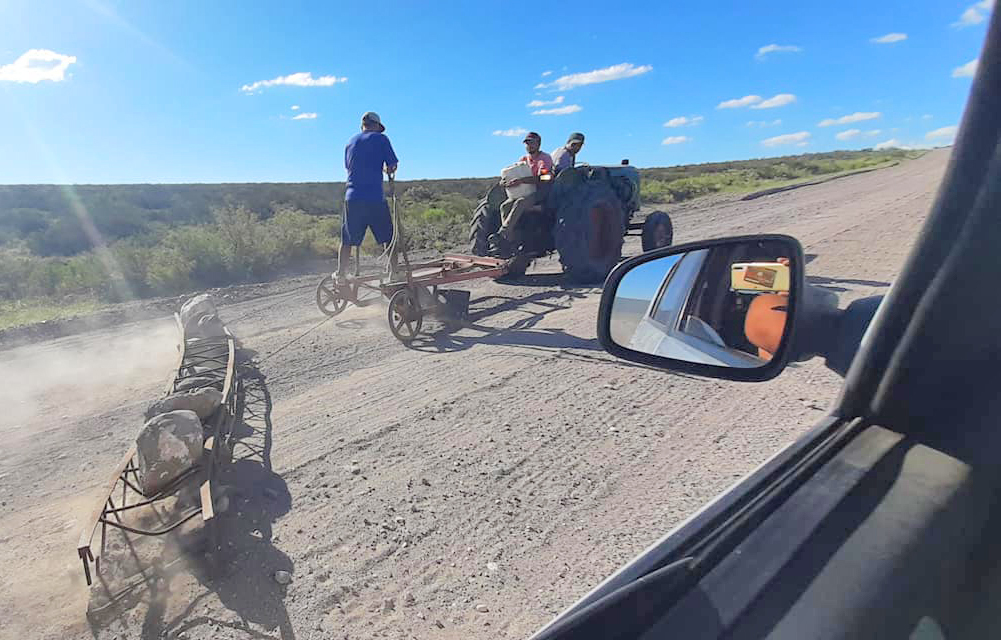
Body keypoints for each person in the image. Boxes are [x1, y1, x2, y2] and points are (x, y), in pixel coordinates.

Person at [339, 111, 399, 281]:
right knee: (389, 237)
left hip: (352, 197)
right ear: (376, 126)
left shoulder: (350, 142)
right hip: (374, 197)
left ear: (362, 126)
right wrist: (387, 169)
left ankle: (341, 274)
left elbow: (349, 167)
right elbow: (392, 165)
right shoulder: (381, 139)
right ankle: (395, 273)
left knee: (347, 239)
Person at [491, 131, 553, 252]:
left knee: (521, 202)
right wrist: (504, 182)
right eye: (527, 143)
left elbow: (546, 178)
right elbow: (514, 174)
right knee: (505, 206)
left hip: (540, 192)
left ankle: (503, 233)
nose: (529, 146)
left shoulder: (544, 159)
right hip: (524, 191)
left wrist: (522, 181)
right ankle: (510, 239)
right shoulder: (523, 159)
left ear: (538, 144)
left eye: (532, 143)